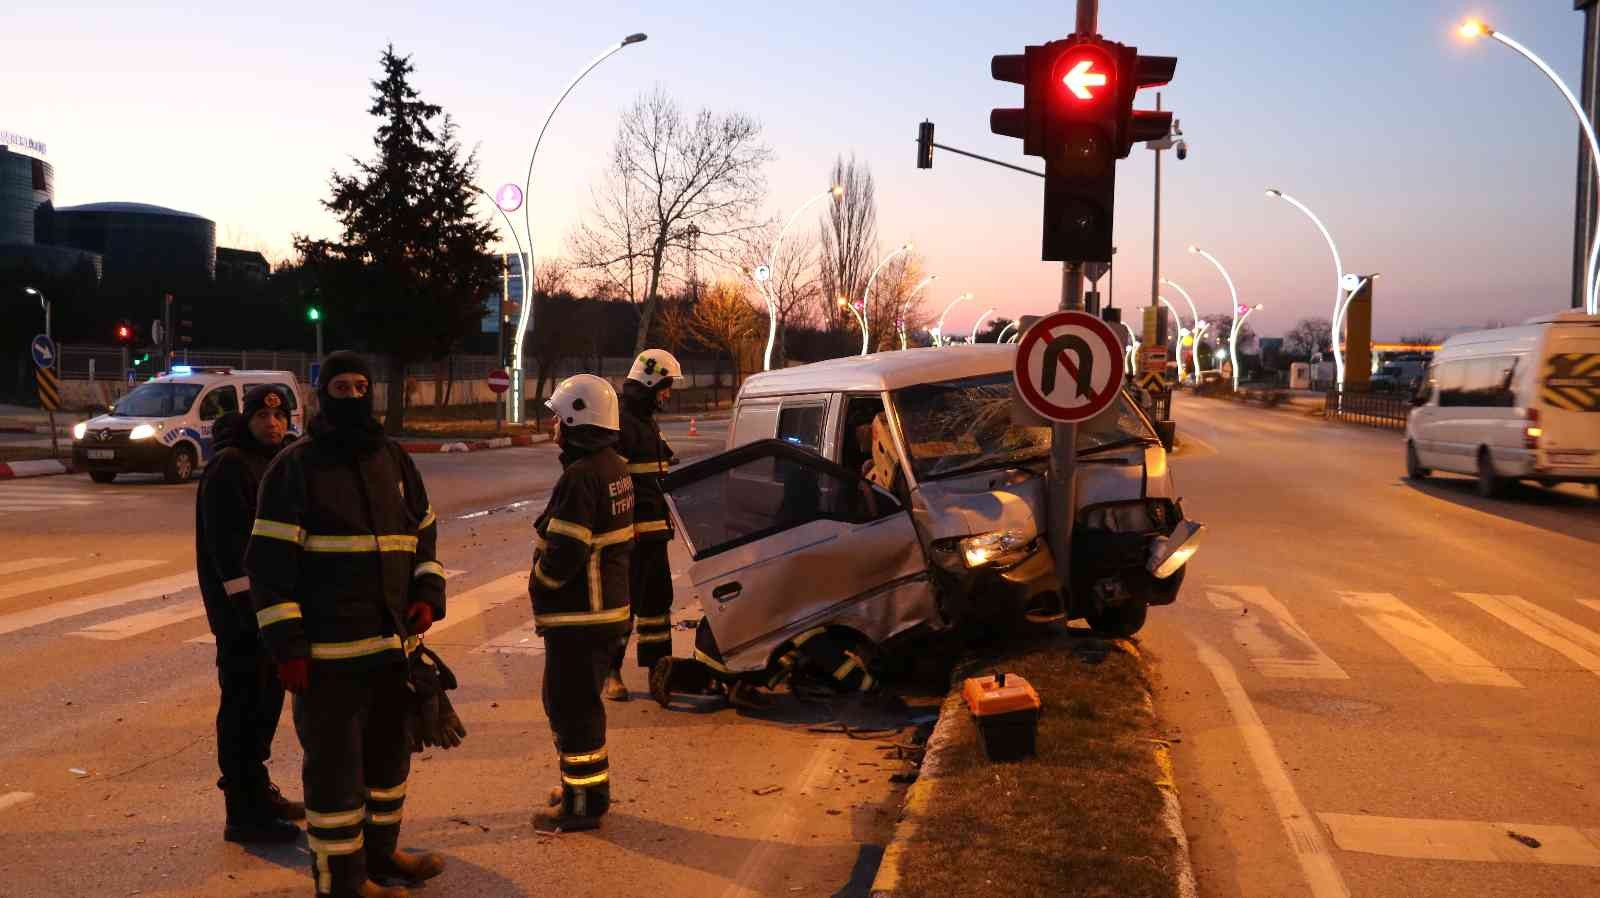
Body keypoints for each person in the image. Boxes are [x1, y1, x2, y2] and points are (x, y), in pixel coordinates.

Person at [245, 352, 447, 898]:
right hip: (328, 660)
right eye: (342, 386)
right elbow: (267, 570)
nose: (354, 396)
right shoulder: (295, 468)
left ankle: (382, 858)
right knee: (335, 777)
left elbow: (423, 533)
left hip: (390, 652)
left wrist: (428, 591)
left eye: (362, 386)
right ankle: (343, 882)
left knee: (388, 764)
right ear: (322, 394)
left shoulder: (395, 460)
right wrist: (287, 647)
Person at [196, 385, 303, 844]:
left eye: (280, 417)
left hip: (273, 613)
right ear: (248, 418)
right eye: (263, 416)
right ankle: (242, 812)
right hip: (243, 618)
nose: (273, 424)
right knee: (242, 707)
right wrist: (252, 614)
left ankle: (259, 791)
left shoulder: (277, 460)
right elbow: (230, 554)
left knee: (265, 704)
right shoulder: (230, 466)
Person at [530, 374, 635, 833]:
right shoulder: (613, 465)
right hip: (605, 614)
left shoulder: (581, 476)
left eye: (558, 417)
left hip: (580, 616)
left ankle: (582, 807)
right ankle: (585, 790)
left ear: (576, 419)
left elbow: (567, 552)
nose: (554, 425)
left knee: (570, 709)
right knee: (582, 708)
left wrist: (540, 579)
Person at [603, 348, 681, 702]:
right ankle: (610, 672)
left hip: (653, 534)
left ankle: (657, 670)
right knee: (624, 606)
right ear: (651, 383)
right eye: (666, 386)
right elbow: (614, 481)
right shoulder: (624, 421)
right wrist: (625, 526)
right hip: (631, 536)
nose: (668, 393)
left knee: (657, 603)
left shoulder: (645, 418)